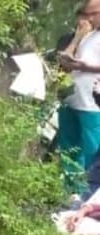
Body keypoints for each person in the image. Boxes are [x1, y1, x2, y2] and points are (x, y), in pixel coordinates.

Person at [57, 2, 100, 196]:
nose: (88, 19)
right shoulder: (85, 35)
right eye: (85, 14)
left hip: (92, 103)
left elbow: (87, 66)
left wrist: (84, 67)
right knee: (69, 148)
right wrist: (77, 38)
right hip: (71, 98)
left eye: (93, 14)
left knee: (92, 150)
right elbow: (65, 62)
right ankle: (71, 192)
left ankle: (89, 195)